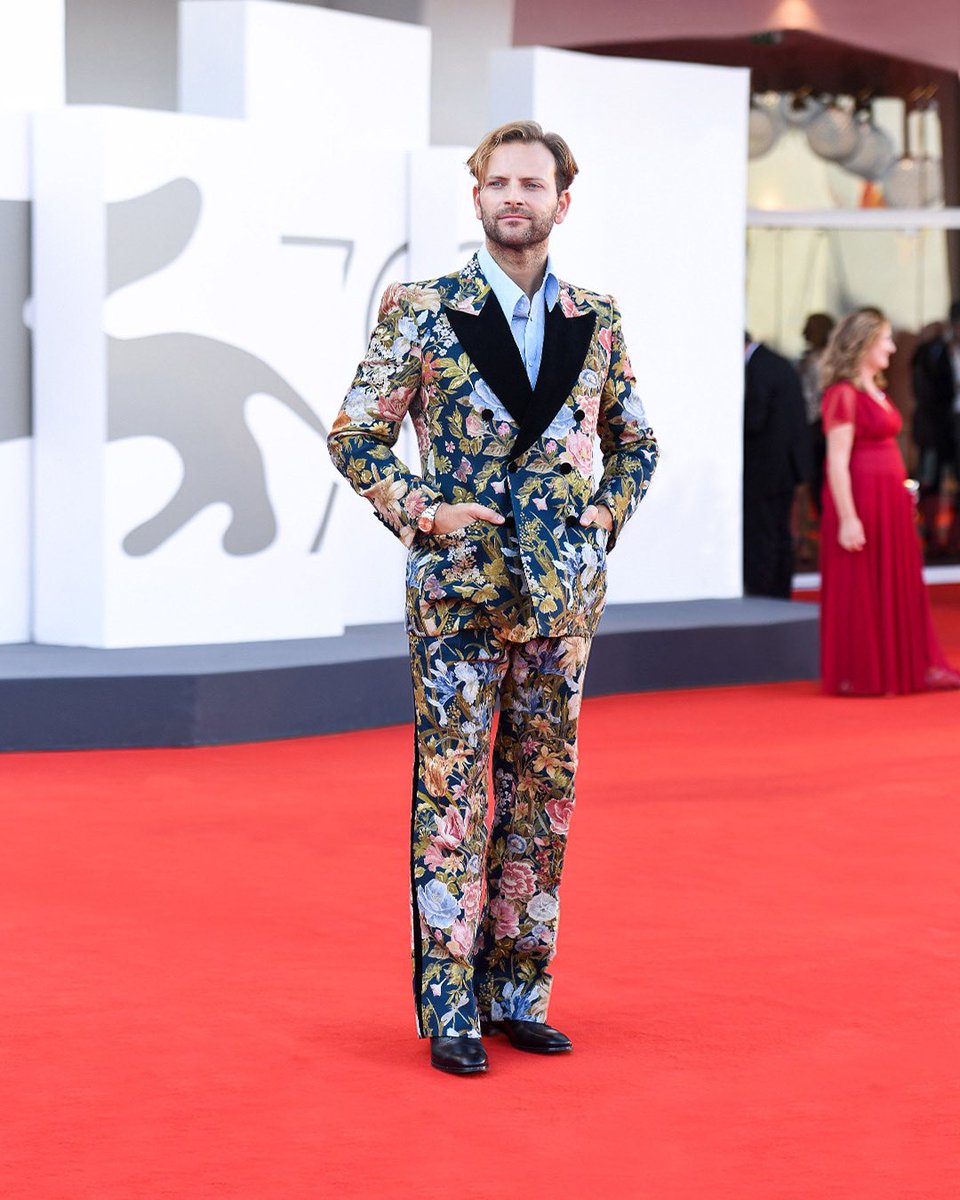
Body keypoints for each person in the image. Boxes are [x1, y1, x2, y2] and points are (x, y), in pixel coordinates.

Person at [327, 121, 658, 1075]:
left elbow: (636, 441)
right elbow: (355, 437)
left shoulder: (597, 317)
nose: (517, 196)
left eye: (534, 183)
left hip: (563, 603)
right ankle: (451, 1009)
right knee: (453, 795)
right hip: (459, 596)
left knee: (541, 797)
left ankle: (519, 993)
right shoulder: (422, 308)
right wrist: (423, 510)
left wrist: (604, 517)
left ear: (563, 200)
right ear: (476, 197)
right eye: (500, 182)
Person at [819, 309, 960, 695]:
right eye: (885, 339)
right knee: (864, 582)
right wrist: (848, 517)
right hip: (862, 501)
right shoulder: (843, 394)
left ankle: (903, 665)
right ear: (863, 343)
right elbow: (836, 462)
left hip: (888, 501)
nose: (892, 347)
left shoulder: (873, 389)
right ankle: (866, 670)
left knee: (893, 579)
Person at [743, 334, 812, 597]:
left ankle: (765, 592)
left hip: (767, 468)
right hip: (786, 465)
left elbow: (755, 419)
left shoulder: (760, 367)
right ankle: (779, 591)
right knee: (781, 532)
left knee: (765, 534)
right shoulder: (776, 363)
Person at [910, 301, 960, 556]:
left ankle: (954, 538)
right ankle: (932, 538)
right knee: (930, 481)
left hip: (953, 423)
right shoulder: (934, 350)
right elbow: (921, 385)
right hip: (935, 426)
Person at [798, 312, 834, 514]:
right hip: (816, 422)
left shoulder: (819, 361)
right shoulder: (815, 359)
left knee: (819, 475)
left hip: (818, 423)